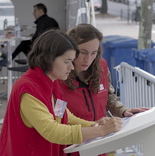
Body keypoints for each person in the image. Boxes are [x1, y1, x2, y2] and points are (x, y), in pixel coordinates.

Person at [0, 29, 123, 156]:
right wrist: (101, 131)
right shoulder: (28, 88)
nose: (72, 67)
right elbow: (52, 131)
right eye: (67, 62)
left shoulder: (53, 83)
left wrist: (94, 125)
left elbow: (64, 116)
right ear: (49, 59)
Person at [58, 23, 149, 156]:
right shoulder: (58, 75)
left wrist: (123, 111)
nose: (88, 59)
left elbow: (108, 95)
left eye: (93, 53)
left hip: (101, 143)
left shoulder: (102, 67)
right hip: (71, 145)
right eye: (83, 52)